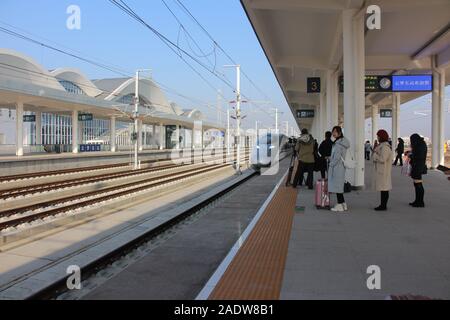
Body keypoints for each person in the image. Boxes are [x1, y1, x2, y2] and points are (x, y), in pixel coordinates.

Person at [328, 126, 350, 212]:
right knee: (339, 186)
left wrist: (331, 164)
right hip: (340, 167)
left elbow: (337, 157)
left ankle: (340, 205)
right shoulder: (342, 142)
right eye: (333, 131)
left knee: (337, 187)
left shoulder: (338, 144)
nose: (333, 133)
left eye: (335, 132)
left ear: (340, 133)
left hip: (337, 167)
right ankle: (343, 204)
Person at [372, 130, 393, 211]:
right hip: (382, 171)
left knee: (384, 189)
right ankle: (382, 205)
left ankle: (383, 206)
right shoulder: (382, 146)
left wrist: (375, 155)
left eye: (378, 136)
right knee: (383, 189)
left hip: (383, 171)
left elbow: (382, 159)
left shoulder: (385, 147)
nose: (377, 138)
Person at [408, 133, 427, 207]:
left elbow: (419, 156)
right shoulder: (420, 144)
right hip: (417, 166)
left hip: (418, 167)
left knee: (418, 184)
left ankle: (420, 202)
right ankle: (417, 201)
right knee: (416, 184)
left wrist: (411, 156)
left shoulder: (421, 146)